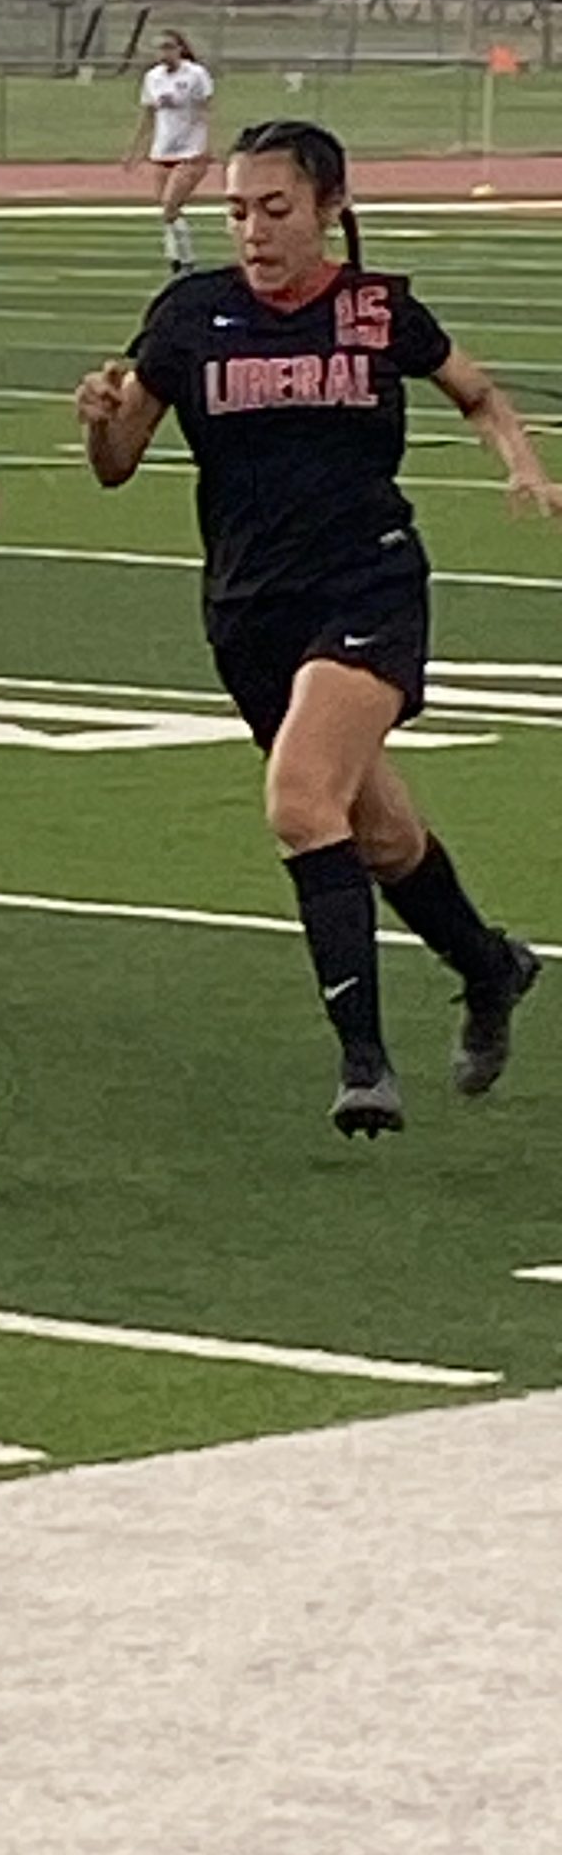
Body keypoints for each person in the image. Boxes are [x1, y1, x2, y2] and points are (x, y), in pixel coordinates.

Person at [75, 118, 558, 1137]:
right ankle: (491, 966)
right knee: (377, 832)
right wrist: (97, 422)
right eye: (238, 210)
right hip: (250, 609)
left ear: (330, 210)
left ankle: (365, 1065)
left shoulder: (378, 311)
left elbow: (475, 390)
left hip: (368, 584)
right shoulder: (188, 316)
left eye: (276, 208)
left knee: (300, 801)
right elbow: (117, 463)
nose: (253, 230)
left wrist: (519, 458)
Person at [124, 28, 215, 276]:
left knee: (170, 205)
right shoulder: (153, 77)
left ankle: (185, 260)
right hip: (162, 149)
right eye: (159, 48)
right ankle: (176, 256)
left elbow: (205, 109)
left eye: (168, 47)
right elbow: (147, 114)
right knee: (167, 212)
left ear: (179, 49)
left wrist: (207, 145)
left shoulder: (195, 74)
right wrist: (135, 149)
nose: (164, 53)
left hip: (190, 150)